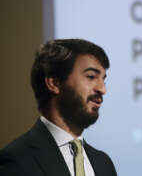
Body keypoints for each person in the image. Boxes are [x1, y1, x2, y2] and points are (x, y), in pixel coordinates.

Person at [0, 39, 117, 176]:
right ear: (54, 83)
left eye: (103, 80)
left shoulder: (104, 164)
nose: (102, 89)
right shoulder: (16, 160)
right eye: (91, 77)